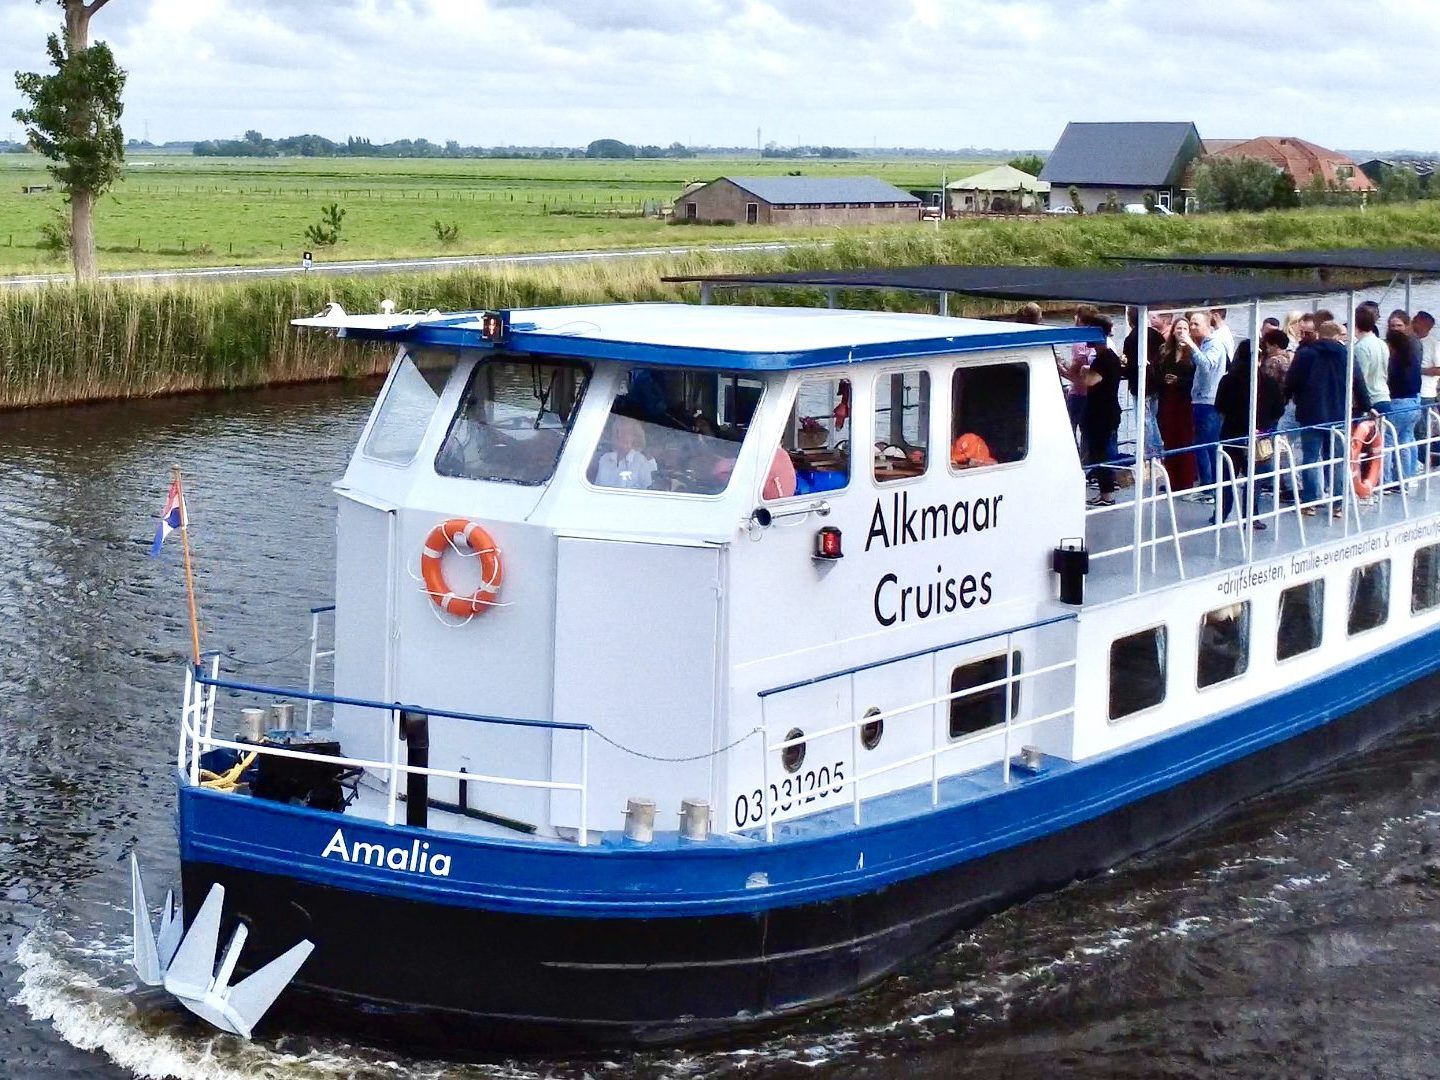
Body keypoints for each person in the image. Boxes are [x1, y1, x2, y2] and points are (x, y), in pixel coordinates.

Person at [1286, 321, 1368, 516]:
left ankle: (1311, 502)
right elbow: (1358, 382)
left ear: (1318, 334)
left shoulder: (1305, 354)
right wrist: (1367, 406)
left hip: (1310, 414)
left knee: (1311, 458)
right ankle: (1338, 504)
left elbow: (1291, 381)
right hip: (1339, 414)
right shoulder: (1347, 354)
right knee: (1339, 459)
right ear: (1338, 335)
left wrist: (1287, 399)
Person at [1213, 336, 1285, 529]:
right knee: (1254, 479)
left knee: (1227, 477)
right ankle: (1251, 516)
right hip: (1257, 436)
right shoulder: (1268, 382)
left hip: (1231, 434)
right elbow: (1279, 409)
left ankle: (1220, 514)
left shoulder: (1228, 380)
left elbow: (1219, 405)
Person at [1073, 314, 1124, 506]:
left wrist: (1081, 372)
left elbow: (1089, 382)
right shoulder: (1102, 358)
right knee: (1097, 451)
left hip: (1104, 413)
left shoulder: (1106, 358)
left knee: (1101, 451)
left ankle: (1108, 494)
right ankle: (1104, 492)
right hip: (1099, 411)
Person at [1176, 310, 1227, 501]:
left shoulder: (1213, 345)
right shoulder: (1205, 345)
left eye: (1196, 324)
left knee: (1206, 445)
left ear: (1208, 325)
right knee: (1202, 445)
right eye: (1191, 324)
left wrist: (1189, 344)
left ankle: (1211, 488)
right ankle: (1210, 486)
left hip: (1208, 402)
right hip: (1201, 400)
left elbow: (1207, 365)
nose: (1192, 327)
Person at [1157, 313, 1197, 491]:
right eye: (1178, 328)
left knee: (1185, 438)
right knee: (1170, 438)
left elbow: (1197, 379)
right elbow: (1157, 373)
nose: (1181, 332)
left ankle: (1186, 480)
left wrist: (1178, 381)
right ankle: (1172, 479)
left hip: (1185, 400)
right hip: (1168, 399)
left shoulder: (1194, 352)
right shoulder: (1166, 351)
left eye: (1185, 329)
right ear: (1172, 331)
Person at [1123, 306, 1165, 462]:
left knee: (1146, 419)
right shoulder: (1156, 335)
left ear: (1129, 318)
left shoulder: (1131, 339)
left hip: (1141, 384)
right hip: (1157, 383)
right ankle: (1157, 450)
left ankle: (1153, 451)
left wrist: (1124, 365)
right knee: (1153, 416)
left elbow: (1129, 364)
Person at [1384, 315, 1422, 487]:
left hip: (1398, 403)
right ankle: (1404, 480)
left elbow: (1391, 382)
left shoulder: (1394, 362)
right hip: (1414, 402)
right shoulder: (1412, 357)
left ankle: (1385, 482)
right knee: (1406, 440)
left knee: (1387, 442)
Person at [594, 415, 657, 489]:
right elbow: (596, 487)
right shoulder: (605, 459)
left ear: (635, 437)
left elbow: (648, 491)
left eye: (626, 433)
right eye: (618, 432)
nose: (621, 435)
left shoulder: (642, 461)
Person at [1415, 311, 1439, 467]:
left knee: (1423, 431)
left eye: (1416, 320)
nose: (1412, 322)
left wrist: (1418, 370)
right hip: (1412, 393)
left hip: (1426, 393)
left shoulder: (1434, 344)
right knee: (1413, 431)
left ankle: (1426, 463)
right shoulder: (1411, 342)